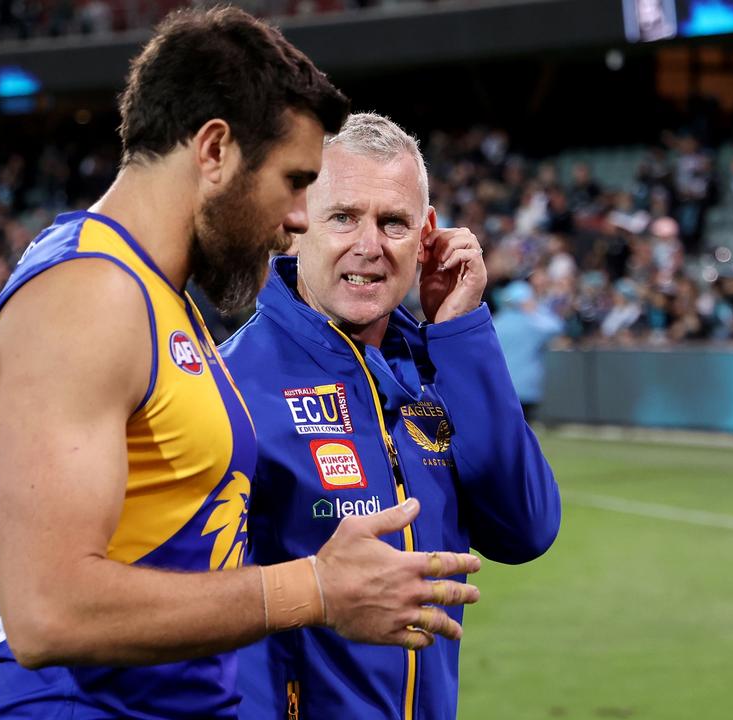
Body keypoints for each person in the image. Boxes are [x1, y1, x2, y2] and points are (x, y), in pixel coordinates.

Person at [0, 10, 482, 720]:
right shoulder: (87, 295)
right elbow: (48, 612)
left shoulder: (158, 298)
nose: (300, 217)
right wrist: (317, 591)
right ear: (214, 151)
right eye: (295, 180)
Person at [220, 113, 561, 720]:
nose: (369, 247)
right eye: (344, 216)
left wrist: (461, 332)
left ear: (427, 235)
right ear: (296, 225)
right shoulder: (230, 385)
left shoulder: (439, 369)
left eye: (394, 222)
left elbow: (525, 527)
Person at [493, 280, 564, 421]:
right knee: (524, 434)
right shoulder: (533, 325)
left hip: (499, 386)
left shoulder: (495, 322)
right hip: (526, 387)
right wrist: (536, 310)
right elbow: (557, 326)